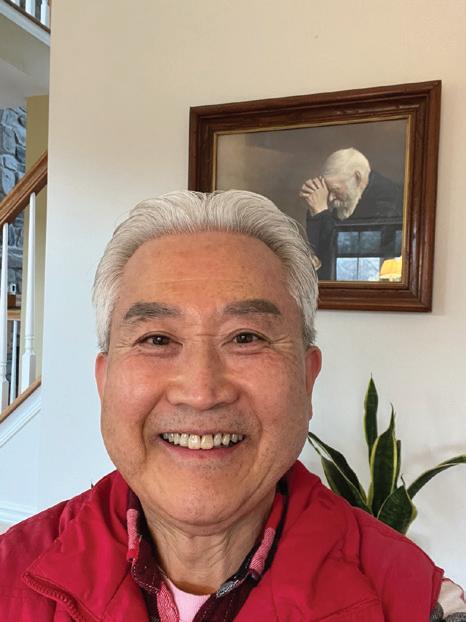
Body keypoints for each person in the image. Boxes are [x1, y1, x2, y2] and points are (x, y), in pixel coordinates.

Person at [0, 190, 464, 621]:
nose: (201, 392)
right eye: (157, 339)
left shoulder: (420, 602)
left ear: (307, 379)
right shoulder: (8, 576)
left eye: (246, 338)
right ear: (105, 381)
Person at [300, 148, 403, 280]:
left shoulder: (387, 202)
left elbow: (345, 251)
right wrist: (316, 212)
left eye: (335, 189)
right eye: (328, 191)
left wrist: (321, 213)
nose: (330, 198)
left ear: (357, 177)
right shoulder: (350, 199)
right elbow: (318, 257)